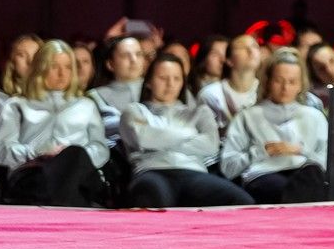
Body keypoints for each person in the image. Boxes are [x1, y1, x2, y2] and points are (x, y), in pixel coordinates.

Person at [121, 54, 252, 208]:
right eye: (163, 78)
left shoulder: (199, 112)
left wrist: (160, 138)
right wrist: (189, 134)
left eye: (176, 78)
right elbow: (143, 139)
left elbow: (210, 145)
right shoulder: (135, 111)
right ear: (149, 82)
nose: (170, 84)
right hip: (152, 170)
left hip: (194, 172)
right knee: (150, 196)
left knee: (242, 201)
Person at [0, 39, 110, 206]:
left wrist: (71, 156)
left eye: (68, 67)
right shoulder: (17, 105)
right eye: (55, 66)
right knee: (63, 183)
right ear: (40, 68)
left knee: (74, 155)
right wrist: (37, 151)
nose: (62, 73)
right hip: (33, 173)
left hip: (80, 173)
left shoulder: (86, 105)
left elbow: (100, 148)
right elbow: (3, 151)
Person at [221, 49, 328, 204]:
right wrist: (260, 151)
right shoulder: (248, 116)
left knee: (312, 176)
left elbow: (329, 160)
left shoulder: (314, 116)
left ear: (301, 84)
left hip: (305, 172)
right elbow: (228, 167)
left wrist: (300, 151)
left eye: (292, 82)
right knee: (288, 190)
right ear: (268, 81)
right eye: (279, 80)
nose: (285, 88)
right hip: (264, 173)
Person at [89, 34, 148, 146]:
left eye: (139, 54)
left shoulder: (158, 88)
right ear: (110, 64)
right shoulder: (96, 96)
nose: (133, 60)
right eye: (126, 56)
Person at [200, 33, 262, 128]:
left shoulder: (266, 92)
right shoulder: (211, 95)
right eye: (242, 47)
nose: (251, 51)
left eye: (255, 46)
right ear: (229, 60)